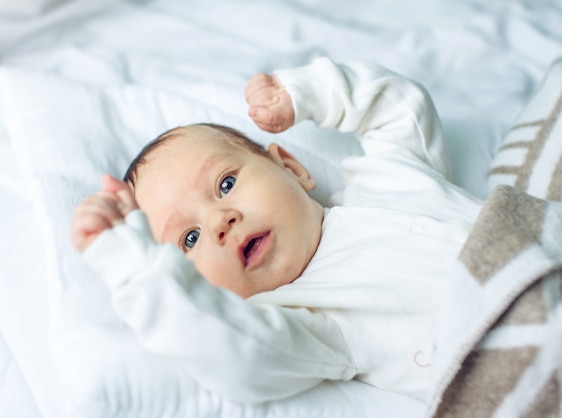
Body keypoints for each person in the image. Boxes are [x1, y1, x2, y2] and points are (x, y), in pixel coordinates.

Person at [70, 57, 482, 404]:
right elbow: (229, 349)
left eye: (226, 184)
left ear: (291, 168)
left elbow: (399, 108)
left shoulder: (385, 179)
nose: (219, 221)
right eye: (189, 239)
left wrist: (304, 92)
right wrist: (129, 261)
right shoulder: (310, 319)